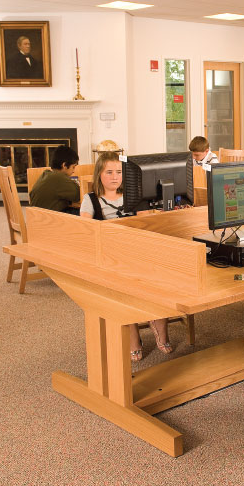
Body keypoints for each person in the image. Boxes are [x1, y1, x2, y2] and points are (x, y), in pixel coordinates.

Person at [81, 151, 173, 361]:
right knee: (123, 286)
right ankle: (132, 332)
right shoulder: (91, 200)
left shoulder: (135, 195)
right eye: (109, 172)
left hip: (138, 250)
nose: (115, 177)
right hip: (110, 256)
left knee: (162, 277)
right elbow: (84, 228)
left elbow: (147, 223)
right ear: (99, 175)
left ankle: (158, 320)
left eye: (119, 172)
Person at [29, 146, 80, 214]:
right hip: (49, 219)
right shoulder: (59, 178)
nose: (74, 171)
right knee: (88, 213)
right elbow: (78, 195)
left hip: (36, 217)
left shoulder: (46, 174)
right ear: (64, 165)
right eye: (73, 167)